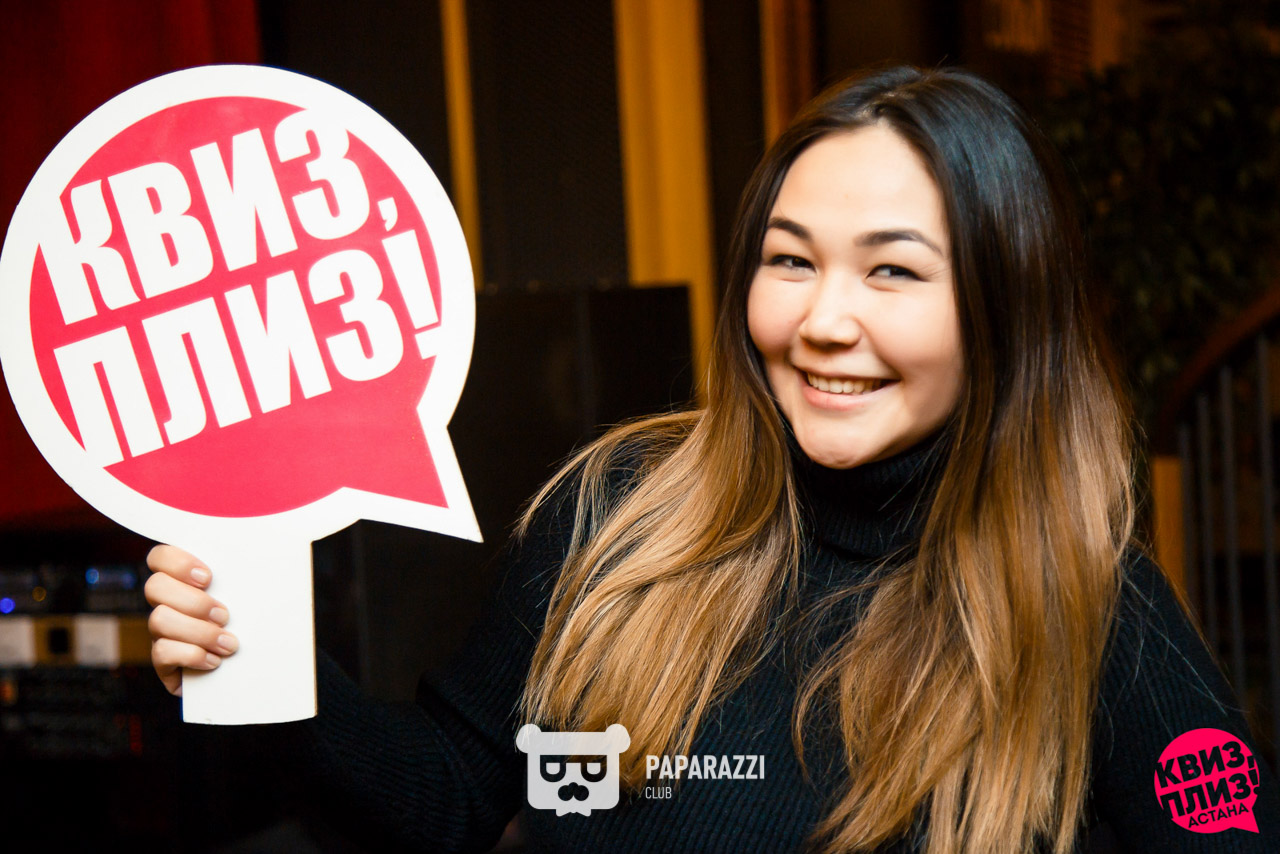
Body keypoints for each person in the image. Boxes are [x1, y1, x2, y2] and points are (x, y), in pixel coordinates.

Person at [144, 66, 1279, 852]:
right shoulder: (618, 512)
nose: (822, 321)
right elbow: (446, 797)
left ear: (1002, 311)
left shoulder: (1091, 604)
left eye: (891, 271)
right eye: (790, 260)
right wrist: (255, 661)